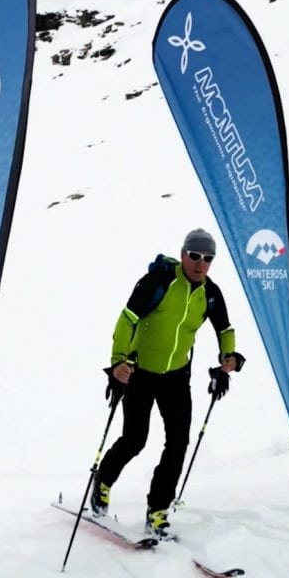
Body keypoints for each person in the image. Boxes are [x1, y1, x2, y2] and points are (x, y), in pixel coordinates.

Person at [91, 228, 244, 540]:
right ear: (183, 254)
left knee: (178, 442)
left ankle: (158, 510)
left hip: (176, 377)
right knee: (135, 439)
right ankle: (103, 481)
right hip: (140, 372)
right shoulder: (158, 281)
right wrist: (119, 361)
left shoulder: (210, 293)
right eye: (195, 256)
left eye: (208, 258)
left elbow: (225, 329)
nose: (200, 263)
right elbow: (127, 320)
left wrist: (228, 358)